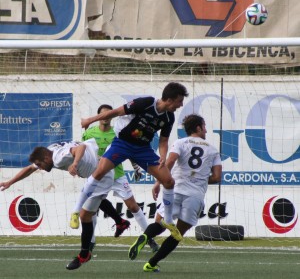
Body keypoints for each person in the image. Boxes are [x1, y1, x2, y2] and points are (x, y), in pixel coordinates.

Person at [71, 82, 189, 268]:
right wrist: (90, 120)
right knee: (99, 172)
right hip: (123, 144)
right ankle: (76, 211)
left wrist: (163, 156)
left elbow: (164, 140)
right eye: (179, 101)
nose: (180, 105)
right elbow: (115, 112)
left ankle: (167, 221)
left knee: (168, 181)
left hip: (142, 150)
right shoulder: (146, 103)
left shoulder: (169, 116)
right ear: (170, 99)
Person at [128, 114, 222, 272]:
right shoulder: (213, 150)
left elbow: (169, 163)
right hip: (195, 195)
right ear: (198, 128)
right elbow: (217, 177)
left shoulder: (180, 143)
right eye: (204, 126)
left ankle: (145, 237)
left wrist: (158, 182)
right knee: (178, 233)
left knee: (160, 222)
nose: (206, 130)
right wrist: (201, 179)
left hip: (174, 189)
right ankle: (151, 263)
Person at [0, 139, 126, 251]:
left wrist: (75, 164)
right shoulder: (49, 151)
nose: (40, 168)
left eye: (40, 165)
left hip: (102, 174)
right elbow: (29, 169)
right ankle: (119, 222)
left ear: (46, 159)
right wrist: (10, 182)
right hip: (96, 171)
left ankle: (85, 252)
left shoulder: (57, 158)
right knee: (94, 201)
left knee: (84, 214)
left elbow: (81, 148)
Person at [70, 104, 159, 251]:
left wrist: (136, 167)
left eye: (109, 114)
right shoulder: (90, 132)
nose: (106, 118)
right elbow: (84, 150)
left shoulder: (118, 133)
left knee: (133, 206)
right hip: (97, 175)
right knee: (91, 209)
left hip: (117, 174)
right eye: (103, 114)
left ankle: (149, 238)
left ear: (111, 117)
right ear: (99, 116)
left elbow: (129, 150)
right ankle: (90, 242)